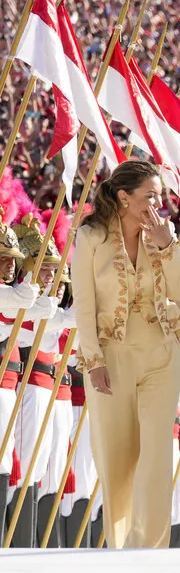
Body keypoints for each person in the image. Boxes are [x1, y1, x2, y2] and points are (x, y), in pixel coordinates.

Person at [71, 160, 180, 548]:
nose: (158, 203)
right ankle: (119, 545)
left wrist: (167, 246)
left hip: (162, 355)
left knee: (157, 453)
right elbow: (84, 305)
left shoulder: (163, 234)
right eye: (150, 196)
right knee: (117, 456)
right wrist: (94, 361)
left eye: (159, 195)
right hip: (113, 358)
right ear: (124, 197)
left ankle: (149, 548)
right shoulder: (90, 237)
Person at [12, 215, 74, 548]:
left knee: (48, 470)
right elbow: (31, 328)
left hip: (49, 387)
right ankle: (21, 541)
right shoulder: (22, 302)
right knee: (24, 465)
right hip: (30, 385)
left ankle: (38, 542)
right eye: (45, 271)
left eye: (55, 273)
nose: (52, 279)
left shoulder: (43, 305)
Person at [0, 212, 55, 545]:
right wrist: (34, 277)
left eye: (13, 259)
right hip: (21, 384)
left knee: (17, 465)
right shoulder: (11, 295)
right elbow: (24, 303)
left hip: (16, 385)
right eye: (5, 258)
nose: (10, 265)